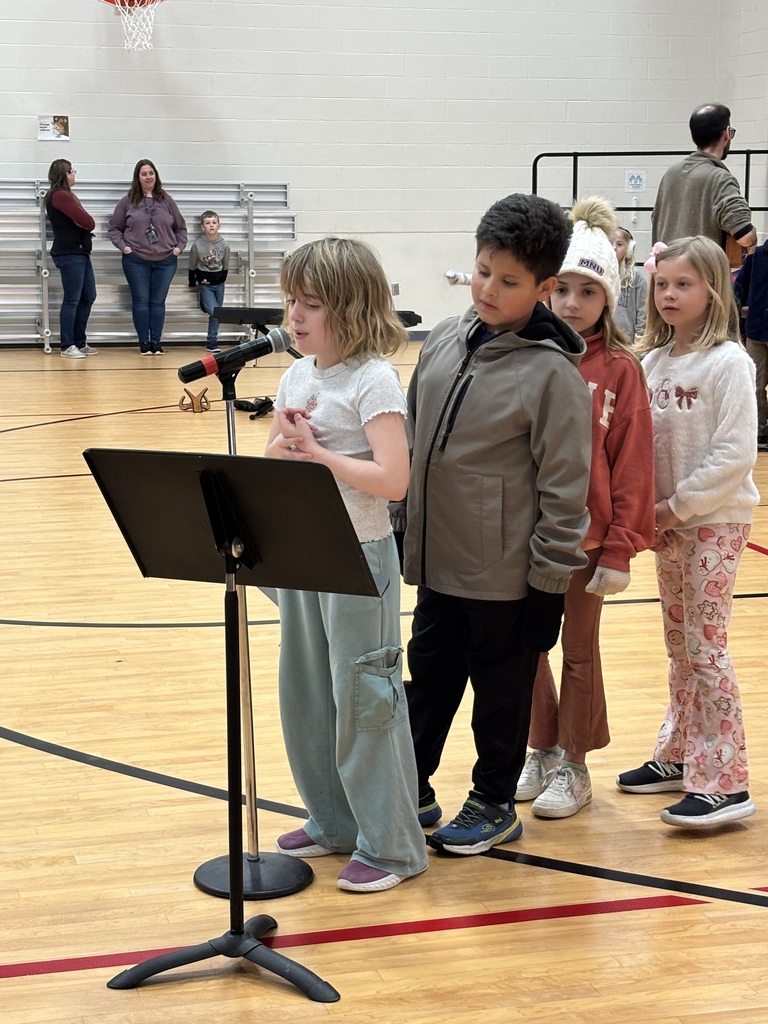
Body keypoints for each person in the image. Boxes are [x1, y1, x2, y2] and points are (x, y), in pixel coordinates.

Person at [393, 193, 593, 856]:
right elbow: (414, 436)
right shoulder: (445, 340)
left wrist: (547, 585)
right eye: (482, 271)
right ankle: (411, 789)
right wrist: (402, 523)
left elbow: (566, 491)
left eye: (509, 282)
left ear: (544, 288)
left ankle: (494, 802)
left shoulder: (553, 376)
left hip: (505, 579)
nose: (487, 289)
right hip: (437, 563)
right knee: (427, 682)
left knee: (499, 697)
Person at [264, 236, 428, 894]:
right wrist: (282, 447)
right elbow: (276, 458)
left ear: (351, 307)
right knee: (306, 696)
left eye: (310, 303)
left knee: (365, 702)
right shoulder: (296, 375)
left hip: (360, 555)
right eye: (290, 301)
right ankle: (332, 822)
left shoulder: (373, 379)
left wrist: (321, 456)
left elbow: (393, 480)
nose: (294, 315)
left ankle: (392, 847)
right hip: (304, 552)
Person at [516, 198, 655, 819]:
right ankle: (540, 747)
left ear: (608, 299)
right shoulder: (525, 355)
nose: (572, 303)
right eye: (563, 289)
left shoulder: (621, 370)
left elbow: (634, 463)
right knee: (526, 648)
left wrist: (621, 546)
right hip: (525, 535)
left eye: (588, 291)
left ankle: (575, 763)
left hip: (588, 541)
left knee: (578, 651)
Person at [616, 235, 759, 828]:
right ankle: (679, 755)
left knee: (706, 647)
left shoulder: (729, 363)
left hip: (711, 523)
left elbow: (734, 454)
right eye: (662, 284)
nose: (669, 294)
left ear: (713, 290)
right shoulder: (651, 363)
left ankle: (726, 781)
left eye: (684, 284)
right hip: (666, 525)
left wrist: (675, 507)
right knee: (680, 648)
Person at [652, 103, 756, 254]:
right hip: (701, 268)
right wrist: (752, 241)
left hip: (665, 267)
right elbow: (744, 236)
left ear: (693, 138)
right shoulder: (720, 179)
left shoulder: (670, 175)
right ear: (726, 134)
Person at [107, 159, 187, 355]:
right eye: (144, 174)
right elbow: (114, 228)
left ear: (156, 175)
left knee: (158, 302)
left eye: (151, 173)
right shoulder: (127, 201)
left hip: (166, 261)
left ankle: (156, 342)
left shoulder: (167, 201)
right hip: (136, 261)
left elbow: (181, 228)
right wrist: (125, 248)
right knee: (141, 301)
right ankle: (144, 342)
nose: (148, 177)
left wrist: (178, 248)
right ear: (138, 177)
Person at [44, 159, 97, 359]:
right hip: (69, 253)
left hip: (79, 252)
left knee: (88, 296)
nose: (74, 174)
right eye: (72, 171)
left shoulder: (66, 195)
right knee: (72, 299)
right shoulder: (59, 195)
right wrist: (85, 221)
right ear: (65, 174)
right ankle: (67, 345)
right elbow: (87, 222)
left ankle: (79, 341)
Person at [733, 238, 768, 451]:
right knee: (755, 385)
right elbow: (738, 288)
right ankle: (759, 431)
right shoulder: (756, 256)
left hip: (757, 327)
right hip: (756, 330)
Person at [188, 210, 230, 352]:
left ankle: (212, 342)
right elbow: (192, 263)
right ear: (202, 227)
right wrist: (192, 280)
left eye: (214, 222)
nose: (211, 225)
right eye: (207, 223)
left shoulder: (224, 244)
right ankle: (205, 303)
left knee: (216, 314)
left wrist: (223, 277)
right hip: (205, 283)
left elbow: (226, 262)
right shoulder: (198, 244)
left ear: (219, 225)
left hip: (219, 283)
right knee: (214, 311)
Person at [612, 226, 648, 344]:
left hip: (627, 342)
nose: (614, 248)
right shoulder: (600, 274)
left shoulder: (637, 278)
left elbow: (643, 311)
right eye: (611, 243)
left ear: (629, 250)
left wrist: (639, 337)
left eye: (619, 244)